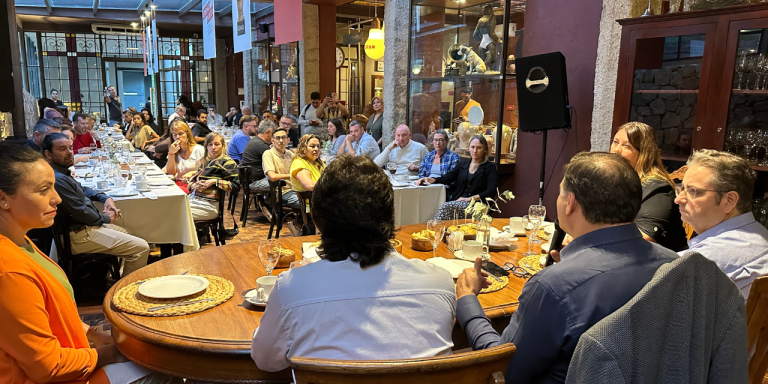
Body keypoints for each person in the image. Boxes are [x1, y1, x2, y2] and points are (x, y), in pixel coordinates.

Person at [455, 152, 679, 384]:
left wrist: (467, 301)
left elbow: (502, 369)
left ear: (570, 203)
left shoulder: (554, 286)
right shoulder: (675, 264)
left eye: (560, 192)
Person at [252, 155, 455, 371]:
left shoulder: (291, 288)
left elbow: (266, 361)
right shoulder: (441, 282)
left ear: (318, 220)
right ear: (390, 215)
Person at [0, 143, 176, 384]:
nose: (57, 198)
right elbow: (47, 367)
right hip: (61, 378)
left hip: (72, 358)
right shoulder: (9, 271)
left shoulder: (20, 240)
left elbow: (49, 317)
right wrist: (108, 353)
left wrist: (92, 334)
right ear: (3, 199)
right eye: (43, 190)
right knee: (166, 366)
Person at [42, 133, 149, 276]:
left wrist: (104, 198)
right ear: (48, 154)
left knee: (128, 232)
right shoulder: (58, 179)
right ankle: (122, 291)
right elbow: (81, 212)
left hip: (83, 228)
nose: (69, 153)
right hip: (77, 235)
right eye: (62, 149)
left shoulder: (60, 173)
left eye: (70, 148)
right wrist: (107, 218)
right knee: (141, 248)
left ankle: (111, 276)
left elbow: (83, 189)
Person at [675, 149, 768, 301]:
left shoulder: (702, 259)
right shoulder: (760, 234)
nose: (678, 199)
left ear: (729, 200)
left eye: (693, 191)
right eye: (682, 188)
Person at [611, 122, 688, 252]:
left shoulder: (658, 187)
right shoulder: (613, 182)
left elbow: (641, 239)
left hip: (660, 267)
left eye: (626, 146)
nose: (617, 150)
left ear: (643, 153)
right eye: (615, 142)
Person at [417, 135, 498, 220]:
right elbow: (447, 178)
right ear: (469, 148)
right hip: (458, 201)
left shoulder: (490, 168)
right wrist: (431, 179)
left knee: (446, 207)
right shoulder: (463, 164)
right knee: (436, 205)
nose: (475, 151)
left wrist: (468, 199)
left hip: (477, 205)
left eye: (479, 148)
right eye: (472, 147)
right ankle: (439, 230)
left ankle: (435, 229)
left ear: (484, 150)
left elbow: (491, 191)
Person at [187, 133, 238, 221]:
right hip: (194, 200)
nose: (213, 147)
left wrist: (214, 181)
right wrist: (193, 186)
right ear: (206, 147)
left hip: (209, 205)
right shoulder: (206, 162)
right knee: (169, 209)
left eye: (216, 144)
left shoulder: (227, 162)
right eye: (210, 144)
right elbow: (192, 180)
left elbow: (235, 186)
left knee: (177, 213)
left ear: (223, 145)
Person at [164, 121, 205, 193]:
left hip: (194, 184)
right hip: (177, 184)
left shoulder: (199, 149)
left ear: (187, 134)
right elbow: (171, 173)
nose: (178, 137)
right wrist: (171, 154)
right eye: (174, 135)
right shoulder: (174, 150)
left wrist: (192, 172)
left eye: (181, 134)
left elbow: (205, 170)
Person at [262, 126, 299, 208]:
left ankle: (303, 220)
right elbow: (272, 176)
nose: (281, 141)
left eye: (283, 138)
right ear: (272, 140)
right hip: (282, 193)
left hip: (296, 189)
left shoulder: (290, 154)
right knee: (307, 204)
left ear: (288, 140)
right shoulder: (268, 154)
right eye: (278, 138)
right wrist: (292, 175)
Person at [241, 120, 276, 189]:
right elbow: (276, 158)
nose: (273, 137)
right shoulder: (261, 145)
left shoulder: (255, 140)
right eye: (273, 134)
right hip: (255, 182)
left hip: (251, 179)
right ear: (268, 132)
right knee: (283, 182)